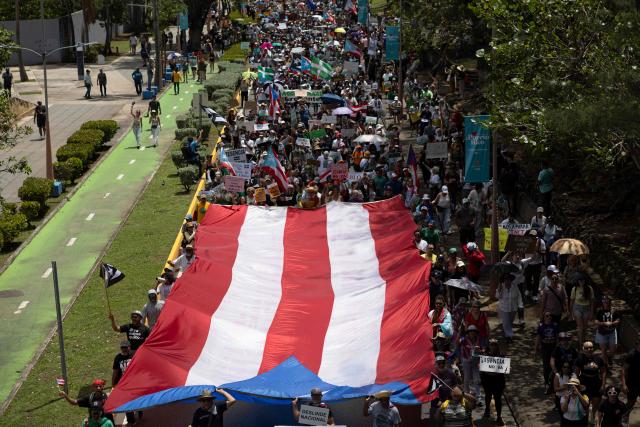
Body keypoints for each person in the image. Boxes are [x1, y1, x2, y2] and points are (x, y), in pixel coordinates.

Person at [575, 341, 606, 422]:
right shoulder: (579, 360)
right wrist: (576, 386)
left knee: (596, 403)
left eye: (591, 347)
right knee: (586, 404)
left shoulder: (599, 359)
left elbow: (603, 372)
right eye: (587, 348)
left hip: (596, 382)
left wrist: (603, 385)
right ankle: (585, 419)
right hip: (584, 383)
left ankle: (592, 416)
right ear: (583, 349)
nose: (589, 349)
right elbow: (576, 374)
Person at [480, 339, 506, 425]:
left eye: (495, 345)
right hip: (487, 380)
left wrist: (507, 368)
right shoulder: (485, 355)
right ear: (489, 346)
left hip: (498, 380)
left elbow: (504, 368)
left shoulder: (501, 356)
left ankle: (499, 416)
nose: (493, 347)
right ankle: (487, 409)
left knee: (498, 398)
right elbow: (481, 367)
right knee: (488, 395)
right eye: (491, 345)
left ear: (497, 346)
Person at [111, 340, 137, 424]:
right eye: (122, 347)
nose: (124, 349)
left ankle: (139, 412)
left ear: (129, 347)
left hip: (134, 382)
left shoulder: (134, 354)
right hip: (123, 384)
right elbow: (115, 371)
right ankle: (131, 420)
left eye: (125, 347)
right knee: (126, 402)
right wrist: (113, 383)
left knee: (136, 400)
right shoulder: (118, 358)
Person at [496, 273, 523, 343]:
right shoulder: (501, 287)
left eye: (509, 280)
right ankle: (509, 336)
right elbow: (497, 296)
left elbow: (519, 296)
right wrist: (499, 289)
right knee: (506, 322)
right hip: (504, 308)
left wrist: (520, 305)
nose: (507, 282)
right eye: (506, 280)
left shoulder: (515, 287)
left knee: (510, 322)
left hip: (513, 308)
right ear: (504, 281)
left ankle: (507, 333)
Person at [536, 311, 559, 390]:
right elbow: (538, 338)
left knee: (553, 365)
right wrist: (536, 348)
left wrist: (557, 347)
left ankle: (554, 382)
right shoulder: (541, 326)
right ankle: (547, 382)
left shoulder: (555, 326)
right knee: (546, 366)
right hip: (545, 348)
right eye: (547, 316)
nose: (549, 317)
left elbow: (557, 338)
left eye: (550, 316)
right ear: (544, 317)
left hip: (553, 347)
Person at [570, 273, 594, 345]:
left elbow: (592, 301)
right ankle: (580, 344)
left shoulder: (589, 289)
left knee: (585, 327)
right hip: (577, 308)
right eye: (579, 281)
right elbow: (571, 301)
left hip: (586, 308)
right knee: (580, 327)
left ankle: (583, 340)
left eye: (582, 281)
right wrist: (571, 313)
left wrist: (591, 312)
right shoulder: (575, 289)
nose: (581, 282)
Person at [621, 339, 640, 424]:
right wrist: (624, 384)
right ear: (637, 345)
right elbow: (624, 370)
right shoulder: (631, 355)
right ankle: (623, 417)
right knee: (631, 402)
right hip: (633, 383)